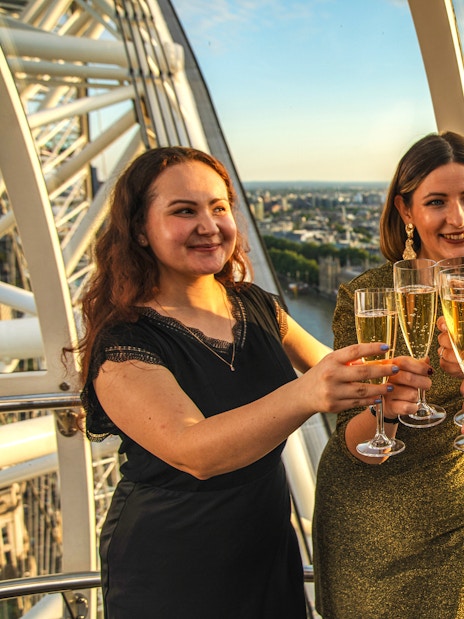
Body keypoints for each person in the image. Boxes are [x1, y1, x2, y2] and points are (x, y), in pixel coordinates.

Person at [72, 146, 430, 619]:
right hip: (174, 564)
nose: (208, 225)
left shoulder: (257, 306)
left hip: (265, 547)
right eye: (184, 211)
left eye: (219, 208)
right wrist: (304, 394)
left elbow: (337, 370)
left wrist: (393, 386)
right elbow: (193, 451)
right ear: (139, 229)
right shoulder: (126, 340)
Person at [312, 131, 464, 619]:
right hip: (375, 530)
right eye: (437, 201)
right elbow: (356, 446)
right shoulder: (370, 297)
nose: (457, 218)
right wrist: (387, 406)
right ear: (406, 211)